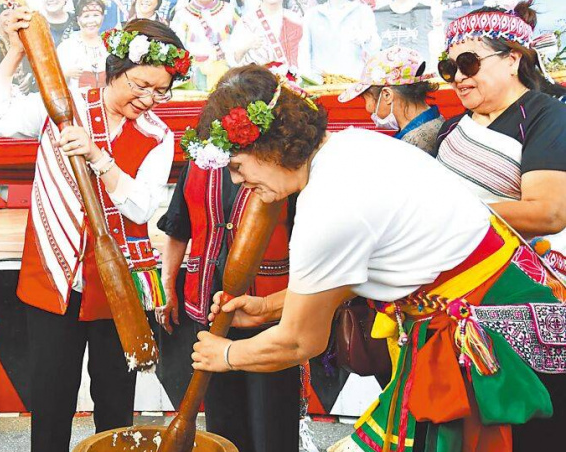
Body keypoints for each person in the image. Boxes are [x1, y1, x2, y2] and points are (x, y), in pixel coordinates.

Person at [182, 64, 566, 452]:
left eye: (237, 166)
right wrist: (269, 305)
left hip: (493, 340)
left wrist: (226, 353)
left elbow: (299, 343)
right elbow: (353, 271)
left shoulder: (328, 204)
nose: (235, 181)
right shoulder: (352, 146)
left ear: (270, 148)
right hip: (505, 305)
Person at [0, 12, 189, 452]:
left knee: (114, 407)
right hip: (53, 282)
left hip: (119, 289)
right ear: (115, 70)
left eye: (160, 91)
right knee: (51, 406)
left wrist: (98, 158)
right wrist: (14, 52)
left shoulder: (158, 136)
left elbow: (142, 205)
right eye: (139, 85)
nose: (148, 99)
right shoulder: (61, 105)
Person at [157, 149, 299, 450]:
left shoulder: (283, 166)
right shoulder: (197, 160)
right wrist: (167, 287)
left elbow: (305, 240)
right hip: (206, 311)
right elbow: (178, 228)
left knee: (272, 424)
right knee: (222, 423)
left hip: (268, 315)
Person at [435, 1, 566, 281]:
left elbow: (549, 213)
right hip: (447, 276)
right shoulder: (451, 130)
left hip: (519, 279)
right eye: (449, 68)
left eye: (468, 63)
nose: (458, 77)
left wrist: (443, 218)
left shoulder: (547, 116)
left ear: (513, 59)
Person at [339, 46, 444, 155]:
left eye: (365, 99)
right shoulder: (435, 119)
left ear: (387, 95)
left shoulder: (413, 145)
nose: (368, 108)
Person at [297, 0, 381, 79]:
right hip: (319, 84)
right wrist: (306, 81)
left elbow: (375, 50)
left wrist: (368, 38)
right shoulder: (312, 14)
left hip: (352, 84)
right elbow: (304, 51)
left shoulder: (363, 11)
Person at [170, 0, 238, 90]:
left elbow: (239, 42)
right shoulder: (182, 14)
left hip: (226, 72)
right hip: (192, 74)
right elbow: (175, 49)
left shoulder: (229, 10)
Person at [229, 0, 303, 68]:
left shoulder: (296, 19)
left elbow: (305, 59)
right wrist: (245, 47)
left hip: (293, 79)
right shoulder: (246, 22)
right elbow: (232, 61)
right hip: (259, 79)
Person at [57, 0, 110, 90]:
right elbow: (54, 81)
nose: (91, 21)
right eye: (86, 16)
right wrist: (66, 74)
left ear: (102, 17)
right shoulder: (66, 47)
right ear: (78, 19)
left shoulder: (110, 45)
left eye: (96, 15)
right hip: (76, 102)